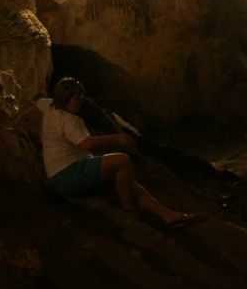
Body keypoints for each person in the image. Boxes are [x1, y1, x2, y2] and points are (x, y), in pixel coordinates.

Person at [37, 77, 198, 230]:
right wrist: (118, 137)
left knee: (127, 177)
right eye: (74, 97)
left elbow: (38, 102)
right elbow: (86, 144)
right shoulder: (68, 120)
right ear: (64, 97)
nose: (79, 101)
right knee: (122, 160)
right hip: (69, 175)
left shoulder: (49, 106)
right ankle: (129, 211)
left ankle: (166, 214)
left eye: (80, 97)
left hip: (60, 175)